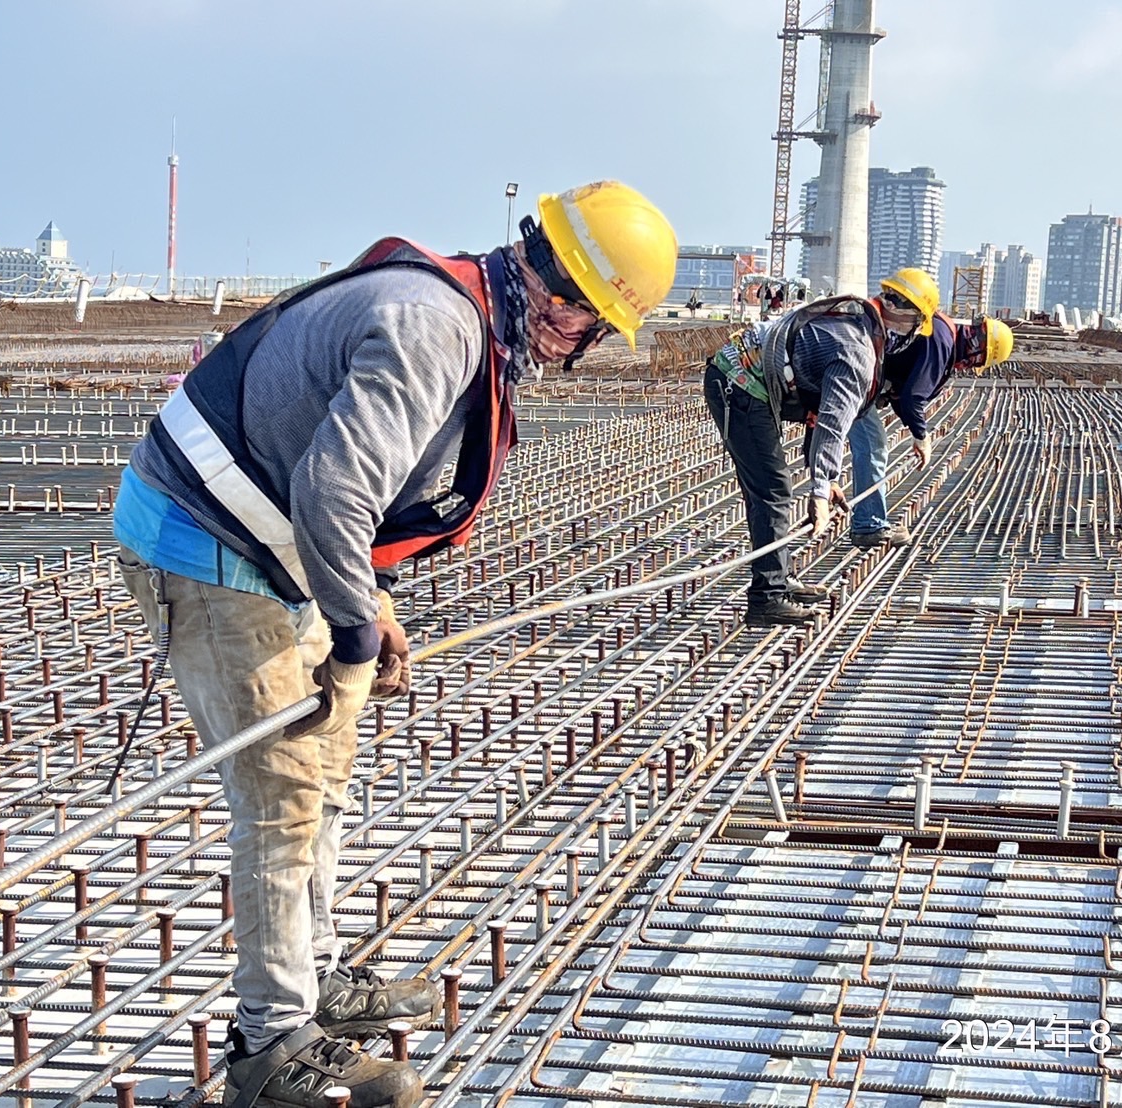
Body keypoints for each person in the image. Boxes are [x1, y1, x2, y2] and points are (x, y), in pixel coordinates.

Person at [112, 180, 677, 1108]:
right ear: (561, 298)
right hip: (205, 538)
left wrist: (364, 604)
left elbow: (338, 477)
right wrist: (352, 633)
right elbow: (333, 491)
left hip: (268, 535)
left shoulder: (469, 321)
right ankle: (271, 1045)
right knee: (283, 794)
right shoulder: (437, 330)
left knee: (323, 770)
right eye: (594, 329)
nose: (586, 349)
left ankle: (313, 976)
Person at [704, 267, 940, 626]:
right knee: (773, 492)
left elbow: (817, 413)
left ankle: (777, 581)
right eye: (915, 325)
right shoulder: (858, 351)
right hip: (739, 383)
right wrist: (819, 489)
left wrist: (826, 480)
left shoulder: (859, 319)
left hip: (744, 378)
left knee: (769, 491)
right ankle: (766, 599)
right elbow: (833, 420)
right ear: (906, 316)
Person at [847, 312, 1014, 546]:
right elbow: (913, 398)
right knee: (874, 447)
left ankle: (865, 519)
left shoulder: (941, 333)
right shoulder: (942, 340)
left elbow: (902, 391)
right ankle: (868, 526)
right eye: (976, 361)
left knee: (871, 444)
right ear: (978, 346)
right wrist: (921, 437)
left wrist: (915, 430)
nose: (968, 367)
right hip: (853, 374)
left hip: (859, 372)